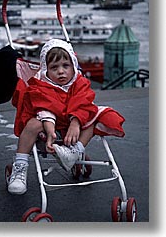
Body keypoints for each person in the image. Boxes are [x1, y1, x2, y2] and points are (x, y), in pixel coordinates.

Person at [7, 39, 125, 195]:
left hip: (75, 126)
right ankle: (20, 166)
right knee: (32, 124)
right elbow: (44, 108)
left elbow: (83, 103)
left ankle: (74, 152)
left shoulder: (79, 82)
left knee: (95, 116)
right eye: (54, 67)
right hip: (48, 127)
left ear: (73, 65)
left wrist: (76, 122)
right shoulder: (40, 85)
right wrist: (50, 131)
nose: (61, 71)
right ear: (46, 69)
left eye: (66, 66)